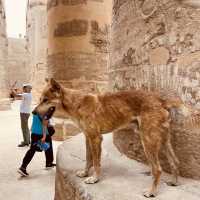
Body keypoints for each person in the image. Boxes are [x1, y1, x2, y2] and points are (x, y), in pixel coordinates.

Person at [17, 107, 56, 177]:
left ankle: (49, 163)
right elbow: (44, 124)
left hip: (34, 132)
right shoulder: (46, 110)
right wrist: (44, 136)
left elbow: (36, 120)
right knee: (33, 150)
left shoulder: (37, 108)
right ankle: (23, 168)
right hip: (41, 133)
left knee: (45, 147)